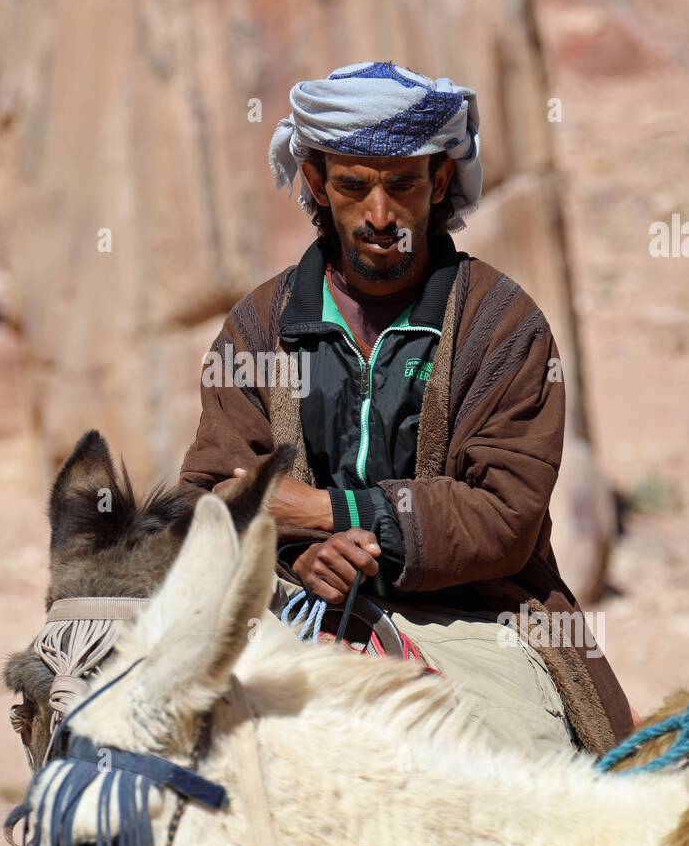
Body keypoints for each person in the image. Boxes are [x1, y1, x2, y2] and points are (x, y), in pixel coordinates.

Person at [179, 61, 633, 758]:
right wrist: (306, 561)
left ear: (441, 182)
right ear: (314, 185)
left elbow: (503, 515)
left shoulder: (502, 325)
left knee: (521, 785)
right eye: (353, 188)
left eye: (403, 186)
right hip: (281, 605)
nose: (380, 215)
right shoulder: (259, 326)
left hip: (471, 617)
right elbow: (213, 495)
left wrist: (334, 514)